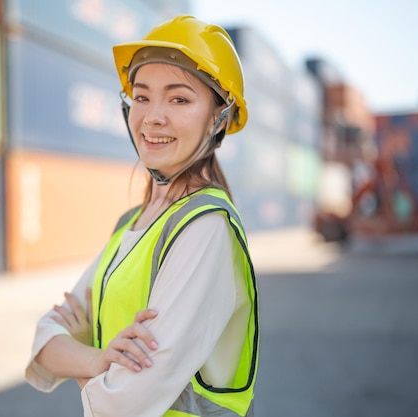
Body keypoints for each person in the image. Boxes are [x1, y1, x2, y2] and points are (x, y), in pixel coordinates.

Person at [25, 15, 259, 417]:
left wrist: (85, 364)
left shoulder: (206, 227)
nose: (152, 116)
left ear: (219, 117)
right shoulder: (131, 223)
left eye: (179, 98)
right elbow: (45, 341)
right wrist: (98, 362)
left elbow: (124, 400)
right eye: (142, 95)